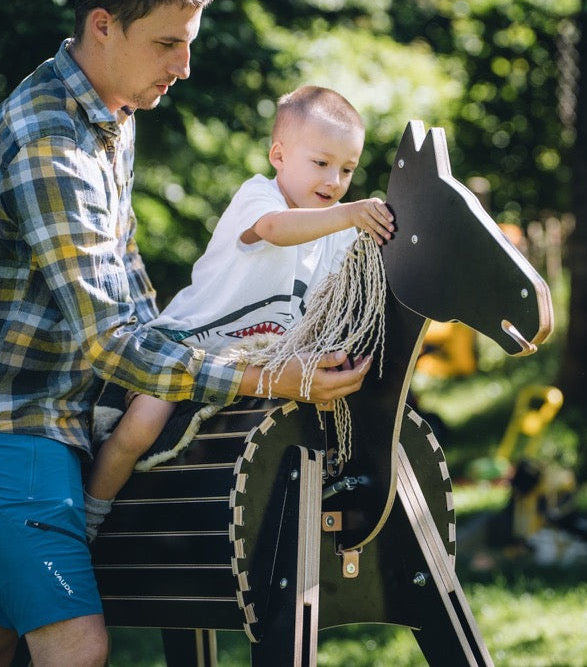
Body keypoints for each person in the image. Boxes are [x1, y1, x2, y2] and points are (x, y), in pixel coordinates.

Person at [0, 0, 371, 665]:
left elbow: (123, 285)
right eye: (166, 43)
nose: (185, 65)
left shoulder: (110, 116)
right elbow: (110, 342)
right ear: (103, 26)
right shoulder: (53, 146)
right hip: (6, 421)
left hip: (55, 414)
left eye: (189, 40)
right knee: (78, 649)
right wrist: (272, 378)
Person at [84, 85, 394, 534]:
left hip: (255, 355)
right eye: (321, 163)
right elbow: (275, 230)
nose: (334, 182)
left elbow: (367, 266)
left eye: (347, 169)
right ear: (279, 156)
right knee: (143, 424)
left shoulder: (337, 230)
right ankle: (92, 516)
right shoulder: (259, 197)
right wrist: (350, 213)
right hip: (189, 344)